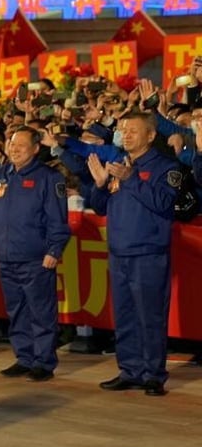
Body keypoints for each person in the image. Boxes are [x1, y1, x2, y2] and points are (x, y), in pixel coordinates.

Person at [88, 113, 180, 396]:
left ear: (151, 136)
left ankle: (153, 374)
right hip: (118, 253)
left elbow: (165, 204)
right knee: (125, 315)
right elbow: (99, 206)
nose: (125, 135)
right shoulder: (118, 166)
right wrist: (101, 183)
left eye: (133, 131)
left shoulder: (166, 167)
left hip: (148, 254)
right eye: (122, 130)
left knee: (149, 316)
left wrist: (131, 179)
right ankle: (130, 370)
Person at [0, 127, 71, 382]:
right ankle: (24, 357)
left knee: (41, 311)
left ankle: (44, 361)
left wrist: (54, 250)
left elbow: (58, 220)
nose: (14, 149)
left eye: (21, 145)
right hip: (5, 258)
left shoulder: (48, 178)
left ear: (36, 149)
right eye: (11, 144)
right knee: (16, 310)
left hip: (36, 258)